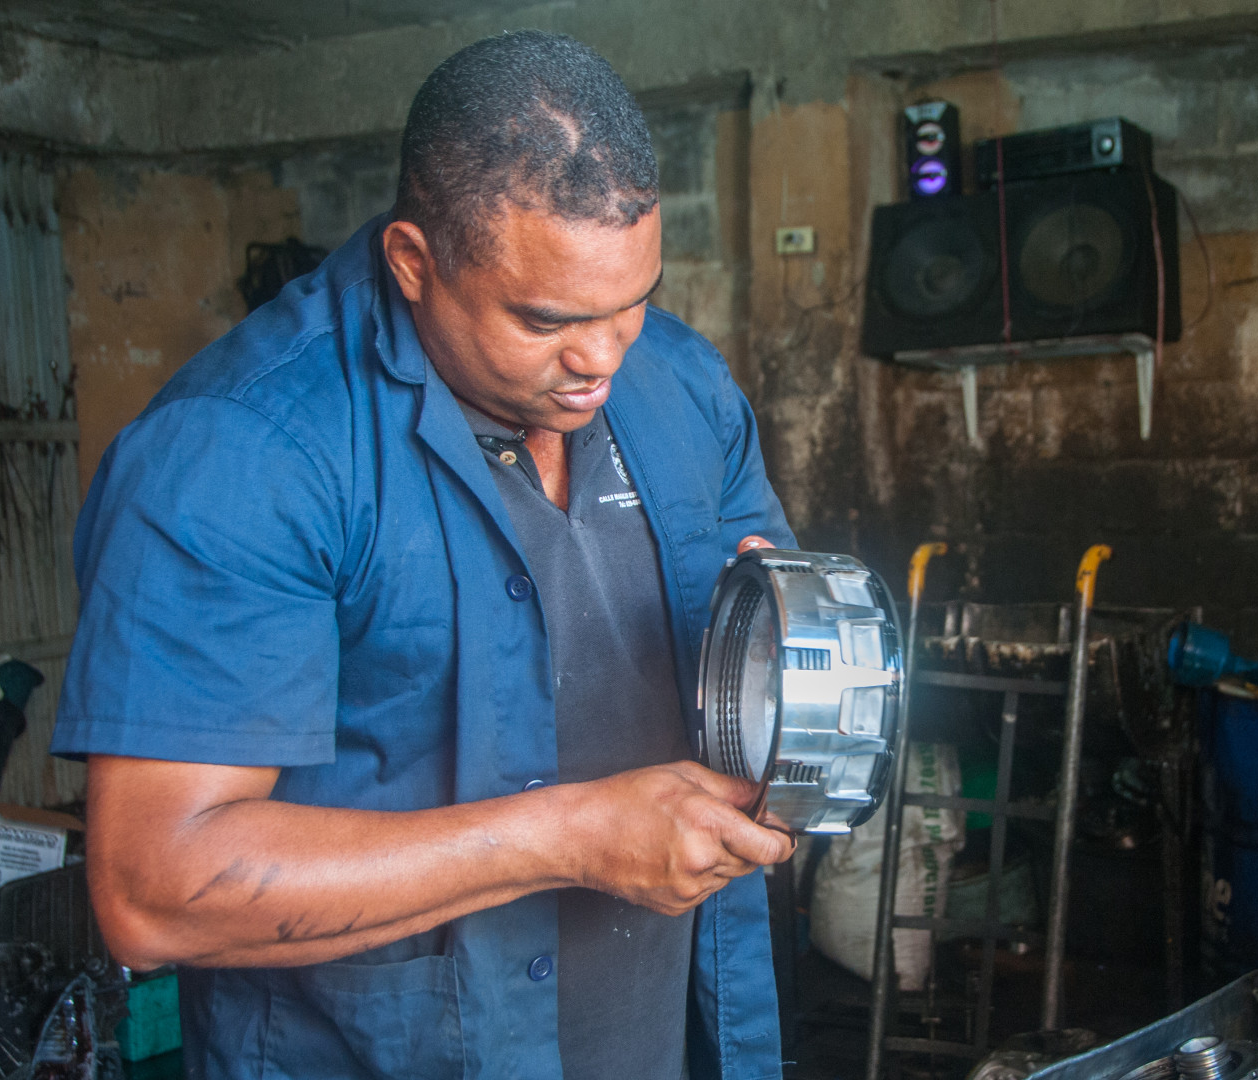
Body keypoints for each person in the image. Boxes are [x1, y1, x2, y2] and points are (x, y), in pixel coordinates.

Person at [52, 30, 795, 1080]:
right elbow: (158, 890)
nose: (601, 358)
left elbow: (784, 637)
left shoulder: (681, 383)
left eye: (634, 301)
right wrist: (570, 837)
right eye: (546, 319)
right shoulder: (244, 452)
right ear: (413, 261)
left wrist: (794, 674)